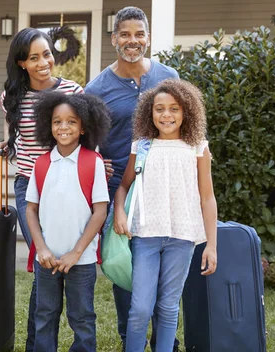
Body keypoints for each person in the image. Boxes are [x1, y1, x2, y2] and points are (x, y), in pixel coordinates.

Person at [85, 6, 180, 351]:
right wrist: (98, 161)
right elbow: (84, 139)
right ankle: (131, 337)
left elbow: (185, 129)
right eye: (125, 34)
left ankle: (166, 336)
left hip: (164, 187)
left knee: (166, 259)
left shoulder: (169, 76)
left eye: (139, 34)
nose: (132, 41)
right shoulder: (97, 87)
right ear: (113, 39)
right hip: (120, 189)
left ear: (148, 38)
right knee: (127, 263)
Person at [114, 79, 218, 352]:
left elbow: (207, 197)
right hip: (145, 235)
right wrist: (118, 213)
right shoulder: (143, 146)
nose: (166, 115)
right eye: (159, 108)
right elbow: (123, 186)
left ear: (187, 112)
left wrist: (211, 245)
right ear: (150, 112)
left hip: (182, 236)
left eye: (174, 108)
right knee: (140, 308)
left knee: (169, 306)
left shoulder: (197, 147)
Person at [0, 27, 83, 352]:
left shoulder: (72, 91)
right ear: (21, 63)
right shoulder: (11, 97)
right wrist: (8, 143)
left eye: (46, 54)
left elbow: (81, 136)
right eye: (34, 57)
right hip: (28, 186)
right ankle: (39, 344)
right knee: (44, 260)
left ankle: (40, 343)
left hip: (65, 185)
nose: (43, 62)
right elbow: (16, 129)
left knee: (50, 269)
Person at [25, 92, 111, 352]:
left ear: (84, 127)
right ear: (48, 126)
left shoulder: (93, 162)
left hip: (81, 260)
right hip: (47, 259)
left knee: (82, 318)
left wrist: (76, 252)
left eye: (71, 122)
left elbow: (100, 212)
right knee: (44, 316)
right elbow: (30, 210)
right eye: (57, 121)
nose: (63, 127)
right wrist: (41, 249)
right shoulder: (41, 164)